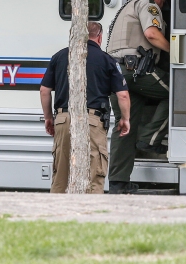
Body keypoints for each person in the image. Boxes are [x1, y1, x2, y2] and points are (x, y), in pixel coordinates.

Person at [40, 21, 131, 193]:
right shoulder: (107, 60)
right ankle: (91, 215)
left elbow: (45, 90)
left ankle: (54, 216)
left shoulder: (59, 56)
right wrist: (125, 119)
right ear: (99, 37)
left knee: (61, 175)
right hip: (92, 121)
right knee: (94, 176)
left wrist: (49, 118)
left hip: (63, 119)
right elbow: (123, 95)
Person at [105, 0, 170, 194]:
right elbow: (151, 34)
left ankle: (118, 182)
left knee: (125, 125)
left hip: (116, 74)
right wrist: (174, 52)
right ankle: (149, 140)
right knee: (179, 93)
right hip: (136, 71)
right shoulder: (149, 5)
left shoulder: (127, 6)